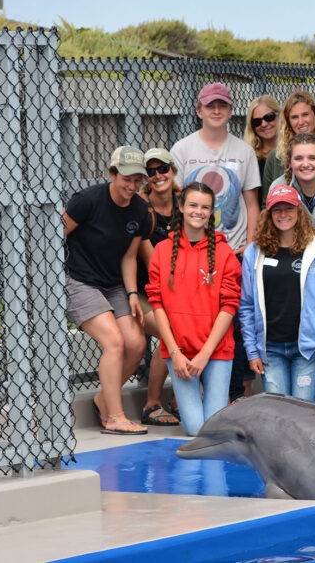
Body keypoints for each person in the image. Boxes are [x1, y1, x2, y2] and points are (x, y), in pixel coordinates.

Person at [170, 82, 261, 403]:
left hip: (231, 251)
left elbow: (252, 203)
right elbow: (177, 203)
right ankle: (195, 393)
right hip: (194, 253)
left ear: (231, 110)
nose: (217, 110)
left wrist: (250, 247)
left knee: (233, 323)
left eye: (222, 105)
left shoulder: (243, 152)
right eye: (210, 106)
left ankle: (235, 394)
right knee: (194, 321)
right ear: (199, 110)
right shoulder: (182, 150)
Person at [64, 145, 151, 435]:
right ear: (112, 174)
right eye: (126, 178)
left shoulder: (140, 209)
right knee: (114, 342)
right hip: (79, 280)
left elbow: (129, 257)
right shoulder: (87, 200)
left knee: (136, 343)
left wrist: (131, 294)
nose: (132, 185)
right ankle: (115, 417)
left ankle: (104, 399)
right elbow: (53, 234)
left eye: (138, 179)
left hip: (114, 284)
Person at [145, 182, 242, 436]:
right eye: (193, 205)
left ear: (211, 212)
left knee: (212, 428)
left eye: (205, 207)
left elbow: (229, 305)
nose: (198, 211)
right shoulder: (162, 251)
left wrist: (205, 354)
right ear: (181, 207)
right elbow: (157, 304)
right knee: (195, 428)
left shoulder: (224, 252)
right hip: (180, 354)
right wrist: (174, 353)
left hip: (216, 351)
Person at [240, 185, 315, 402]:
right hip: (270, 349)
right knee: (277, 417)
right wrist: (252, 351)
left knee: (305, 415)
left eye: (289, 208)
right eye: (277, 210)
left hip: (307, 349)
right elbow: (246, 305)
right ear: (269, 214)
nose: (283, 215)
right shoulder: (254, 252)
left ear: (299, 211)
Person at [135, 147, 181, 427]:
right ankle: (152, 403)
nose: (157, 175)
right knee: (171, 329)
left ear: (172, 170)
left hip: (175, 289)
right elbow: (155, 265)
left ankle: (179, 399)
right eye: (150, 172)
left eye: (162, 169)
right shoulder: (141, 206)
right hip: (142, 291)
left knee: (191, 322)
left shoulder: (183, 201)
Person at [261, 91, 315, 202]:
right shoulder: (275, 157)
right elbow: (267, 203)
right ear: (288, 122)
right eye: (294, 117)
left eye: (305, 114)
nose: (301, 122)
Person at [242, 95, 281, 205]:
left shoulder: (295, 152)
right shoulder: (249, 157)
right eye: (257, 121)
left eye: (269, 117)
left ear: (279, 116)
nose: (264, 124)